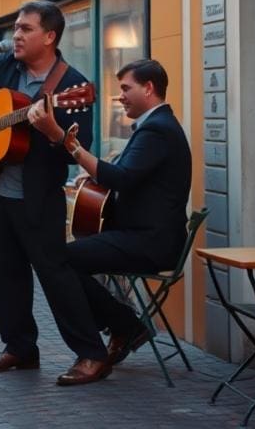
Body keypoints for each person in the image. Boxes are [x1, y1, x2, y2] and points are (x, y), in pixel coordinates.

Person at [0, 0, 96, 384]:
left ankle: (91, 353)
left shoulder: (72, 87)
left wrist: (53, 132)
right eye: (16, 28)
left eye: (25, 29)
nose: (16, 35)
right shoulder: (6, 65)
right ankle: (20, 348)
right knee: (1, 274)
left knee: (55, 277)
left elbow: (81, 147)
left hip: (38, 198)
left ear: (50, 36)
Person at [58, 59, 192, 385]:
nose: (121, 96)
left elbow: (123, 177)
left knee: (62, 261)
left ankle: (124, 327)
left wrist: (73, 148)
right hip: (146, 237)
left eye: (126, 88)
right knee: (65, 259)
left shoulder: (157, 129)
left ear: (148, 88)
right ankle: (124, 325)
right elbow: (133, 179)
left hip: (150, 243)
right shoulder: (156, 126)